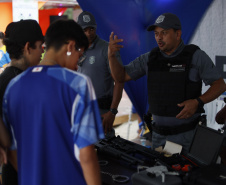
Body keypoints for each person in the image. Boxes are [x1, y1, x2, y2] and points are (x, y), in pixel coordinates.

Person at [1, 19, 104, 185]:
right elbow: (86, 155)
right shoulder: (78, 83)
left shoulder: (14, 86)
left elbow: (12, 148)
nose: (77, 65)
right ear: (70, 47)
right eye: (79, 55)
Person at [108, 13, 226, 153]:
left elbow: (220, 85)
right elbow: (120, 76)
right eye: (156, 33)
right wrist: (112, 56)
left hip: (187, 136)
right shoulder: (150, 58)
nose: (159, 37)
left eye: (164, 33)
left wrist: (198, 102)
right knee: (161, 173)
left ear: (178, 34)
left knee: (188, 174)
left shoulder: (195, 56)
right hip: (159, 137)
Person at [0, 20, 44, 185]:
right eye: (40, 46)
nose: (42, 52)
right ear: (27, 48)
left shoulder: (9, 78)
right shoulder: (16, 84)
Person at [77, 11, 124, 133]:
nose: (88, 33)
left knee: (104, 149)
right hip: (81, 112)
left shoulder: (107, 49)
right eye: (84, 30)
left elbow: (119, 81)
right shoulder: (75, 49)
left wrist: (113, 111)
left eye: (91, 29)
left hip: (102, 113)